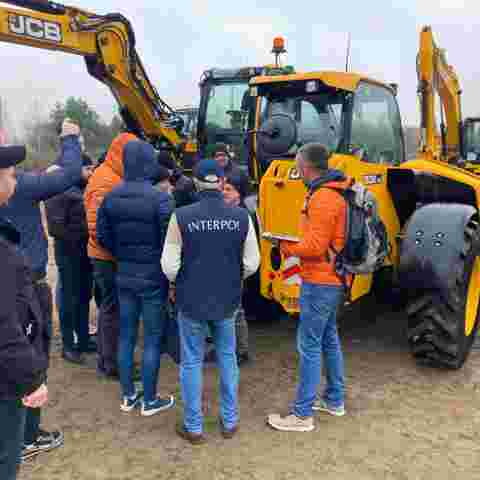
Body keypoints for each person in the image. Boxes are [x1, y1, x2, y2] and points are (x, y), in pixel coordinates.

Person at [0, 119, 84, 460]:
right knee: (29, 356)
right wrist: (70, 138)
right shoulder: (25, 186)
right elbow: (69, 174)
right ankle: (28, 436)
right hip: (27, 287)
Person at [161, 158, 260, 444]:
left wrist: (186, 278)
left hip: (191, 299)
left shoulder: (181, 216)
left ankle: (194, 427)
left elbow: (168, 266)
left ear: (195, 182)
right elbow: (252, 262)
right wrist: (230, 274)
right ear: (220, 182)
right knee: (228, 357)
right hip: (227, 299)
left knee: (191, 361)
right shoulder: (241, 217)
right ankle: (230, 421)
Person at [267, 143, 350, 433]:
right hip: (330, 279)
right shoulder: (332, 191)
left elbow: (315, 247)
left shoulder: (323, 197)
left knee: (309, 345)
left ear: (307, 166)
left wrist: (286, 246)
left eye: (298, 165)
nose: (297, 171)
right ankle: (334, 400)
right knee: (328, 338)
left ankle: (302, 415)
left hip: (320, 280)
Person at [96, 140, 175, 416]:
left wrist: (121, 254)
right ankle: (150, 401)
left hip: (124, 274)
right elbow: (170, 240)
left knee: (126, 336)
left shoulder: (111, 197)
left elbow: (102, 236)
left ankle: (128, 396)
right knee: (152, 339)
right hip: (153, 277)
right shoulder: (161, 198)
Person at [0, 145, 49, 480]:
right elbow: (4, 324)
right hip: (6, 383)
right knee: (6, 456)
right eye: (11, 175)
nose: (15, 183)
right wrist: (32, 380)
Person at [84, 132, 137, 379]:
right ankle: (111, 363)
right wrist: (122, 252)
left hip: (108, 255)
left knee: (111, 308)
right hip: (107, 258)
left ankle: (109, 360)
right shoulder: (105, 180)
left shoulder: (113, 175)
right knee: (112, 309)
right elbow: (97, 228)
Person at [45, 153, 95, 364]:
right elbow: (56, 229)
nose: (91, 173)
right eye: (88, 169)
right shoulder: (58, 192)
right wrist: (86, 230)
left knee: (84, 296)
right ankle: (68, 345)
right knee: (68, 299)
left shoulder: (82, 190)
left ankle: (83, 339)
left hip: (84, 253)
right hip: (68, 254)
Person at [205, 172, 251, 366]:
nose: (224, 193)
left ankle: (240, 350)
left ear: (239, 194)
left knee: (235, 310)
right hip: (223, 267)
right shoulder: (227, 212)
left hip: (233, 269)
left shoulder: (243, 216)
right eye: (223, 188)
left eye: (229, 189)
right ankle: (228, 347)